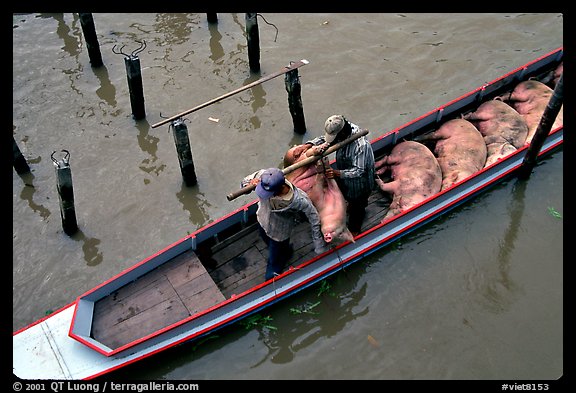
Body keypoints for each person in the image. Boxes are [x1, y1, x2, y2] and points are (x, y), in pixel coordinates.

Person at [241, 167, 329, 280]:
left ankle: (273, 275)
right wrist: (249, 184)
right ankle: (286, 252)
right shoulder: (264, 176)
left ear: (280, 189)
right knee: (267, 241)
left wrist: (318, 243)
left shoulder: (298, 200)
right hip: (262, 220)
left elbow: (314, 217)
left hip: (279, 232)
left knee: (274, 259)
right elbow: (244, 182)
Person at [306, 115, 376, 236]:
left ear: (342, 133)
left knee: (357, 208)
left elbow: (359, 171)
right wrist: (309, 145)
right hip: (344, 175)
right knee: (347, 197)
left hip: (360, 182)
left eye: (335, 137)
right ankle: (352, 205)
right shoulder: (342, 130)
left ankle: (355, 230)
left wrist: (337, 173)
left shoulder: (361, 145)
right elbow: (326, 140)